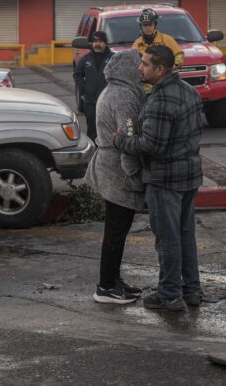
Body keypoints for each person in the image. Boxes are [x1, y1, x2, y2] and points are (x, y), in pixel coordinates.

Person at [113, 44, 204, 312]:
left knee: (167, 239)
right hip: (189, 176)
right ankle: (192, 290)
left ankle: (169, 295)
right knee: (185, 235)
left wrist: (121, 140)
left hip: (165, 180)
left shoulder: (161, 100)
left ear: (160, 69)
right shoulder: (189, 91)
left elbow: (150, 145)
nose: (139, 68)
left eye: (144, 64)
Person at [84, 49, 146, 304]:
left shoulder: (115, 89)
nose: (142, 69)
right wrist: (134, 175)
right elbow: (128, 137)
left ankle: (113, 281)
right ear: (128, 68)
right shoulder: (123, 96)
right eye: (139, 64)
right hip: (117, 169)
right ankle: (106, 286)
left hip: (109, 165)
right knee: (116, 231)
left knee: (116, 230)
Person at [73, 31, 113, 142]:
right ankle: (92, 155)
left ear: (105, 43)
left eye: (100, 41)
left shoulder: (113, 58)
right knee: (92, 131)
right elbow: (77, 75)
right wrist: (84, 88)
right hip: (90, 102)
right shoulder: (86, 59)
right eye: (95, 41)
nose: (97, 44)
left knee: (108, 130)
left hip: (108, 102)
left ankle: (107, 155)